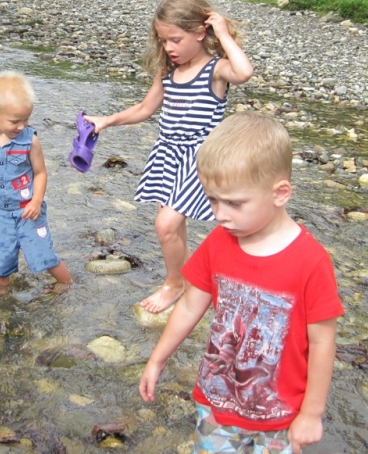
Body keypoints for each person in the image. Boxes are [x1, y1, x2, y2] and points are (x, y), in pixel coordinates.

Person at [138, 112, 344, 454]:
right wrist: (158, 359)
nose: (220, 214)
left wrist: (312, 412)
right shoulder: (218, 243)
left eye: (234, 203)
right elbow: (190, 305)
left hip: (280, 416)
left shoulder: (311, 262)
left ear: (280, 193)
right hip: (217, 404)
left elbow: (323, 342)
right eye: (212, 200)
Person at [85, 0, 253, 313]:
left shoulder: (216, 70)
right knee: (173, 227)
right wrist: (106, 121)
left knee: (165, 225)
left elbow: (244, 72)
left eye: (175, 40)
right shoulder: (169, 72)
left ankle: (175, 284)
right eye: (163, 41)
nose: (168, 48)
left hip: (199, 159)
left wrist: (224, 34)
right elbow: (146, 108)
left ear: (200, 33)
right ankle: (189, 280)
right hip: (168, 155)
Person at [0, 71, 72, 294]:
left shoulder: (30, 141)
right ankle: (0, 298)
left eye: (26, 119)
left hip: (28, 211)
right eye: (15, 121)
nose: (22, 126)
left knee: (42, 254)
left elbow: (40, 173)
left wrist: (37, 201)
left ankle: (66, 282)